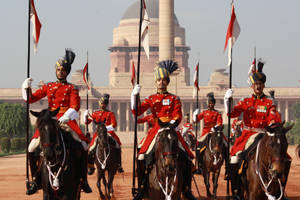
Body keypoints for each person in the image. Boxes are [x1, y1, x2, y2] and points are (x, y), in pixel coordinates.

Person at [22, 49, 92, 195]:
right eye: (58, 69)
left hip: (66, 121)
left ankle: (83, 180)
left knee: (83, 146)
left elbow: (75, 106)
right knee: (31, 147)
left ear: (66, 72)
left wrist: (66, 116)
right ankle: (35, 180)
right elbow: (32, 98)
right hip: (50, 121)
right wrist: (26, 88)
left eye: (62, 70)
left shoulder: (71, 88)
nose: (60, 72)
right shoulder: (48, 86)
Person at [131, 60, 196, 200]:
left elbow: (178, 114)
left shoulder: (174, 98)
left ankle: (186, 188)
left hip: (172, 130)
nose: (161, 82)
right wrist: (134, 97)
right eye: (159, 80)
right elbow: (137, 112)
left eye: (164, 80)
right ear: (155, 82)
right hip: (157, 131)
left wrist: (173, 122)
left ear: (167, 82)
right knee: (142, 156)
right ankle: (142, 187)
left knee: (186, 157)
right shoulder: (151, 98)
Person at [223, 60, 284, 199]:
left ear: (263, 86)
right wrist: (228, 101)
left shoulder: (269, 102)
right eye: (256, 84)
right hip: (248, 135)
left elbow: (273, 117)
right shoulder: (246, 101)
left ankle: (280, 189)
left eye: (260, 84)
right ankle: (236, 191)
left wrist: (273, 124)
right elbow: (231, 113)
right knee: (234, 158)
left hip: (264, 134)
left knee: (283, 158)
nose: (258, 87)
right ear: (252, 86)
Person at [83, 94, 124, 174]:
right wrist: (85, 116)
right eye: (101, 103)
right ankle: (91, 166)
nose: (103, 105)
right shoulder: (95, 113)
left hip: (109, 133)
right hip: (99, 134)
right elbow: (87, 122)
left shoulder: (110, 113)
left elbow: (114, 124)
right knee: (91, 148)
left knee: (117, 146)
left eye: (104, 104)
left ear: (106, 104)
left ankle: (119, 164)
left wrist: (105, 129)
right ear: (99, 103)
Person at [192, 92, 229, 177]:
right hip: (206, 132)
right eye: (209, 103)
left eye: (212, 103)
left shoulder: (217, 113)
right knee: (198, 147)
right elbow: (196, 121)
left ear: (214, 104)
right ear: (207, 104)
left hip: (215, 132)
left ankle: (227, 168)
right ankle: (198, 165)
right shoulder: (204, 112)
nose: (210, 104)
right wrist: (195, 116)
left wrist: (215, 128)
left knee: (226, 145)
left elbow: (220, 123)